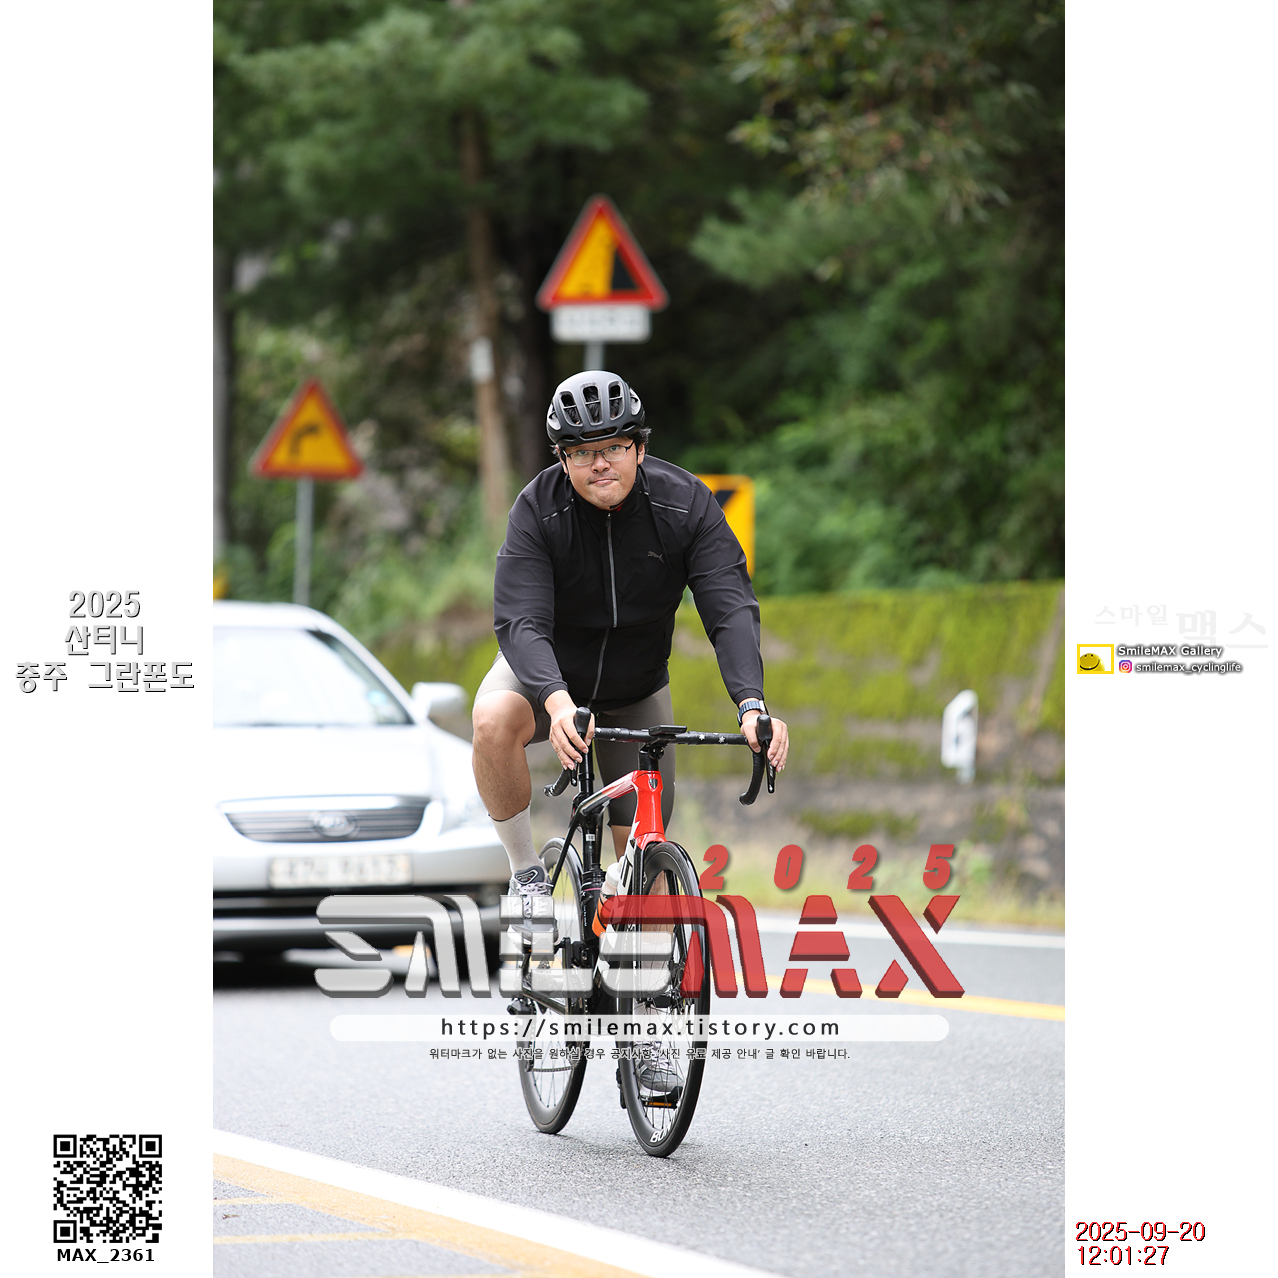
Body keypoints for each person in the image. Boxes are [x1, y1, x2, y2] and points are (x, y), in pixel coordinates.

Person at [473, 368, 789, 904]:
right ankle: (526, 874)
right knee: (492, 719)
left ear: (640, 449)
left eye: (614, 447)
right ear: (562, 460)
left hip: (635, 687)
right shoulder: (537, 510)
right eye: (581, 452)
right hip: (547, 677)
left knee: (648, 883)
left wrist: (751, 704)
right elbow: (521, 620)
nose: (599, 463)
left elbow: (729, 607)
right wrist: (556, 701)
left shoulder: (686, 505)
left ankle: (630, 938)